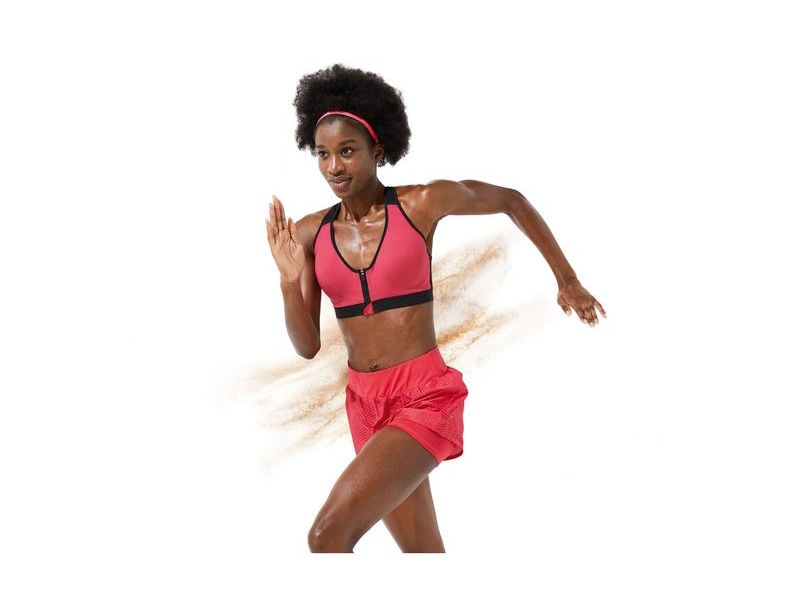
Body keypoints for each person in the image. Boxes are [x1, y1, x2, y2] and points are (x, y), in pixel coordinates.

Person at [265, 64, 606, 553]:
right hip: (364, 404)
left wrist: (567, 280)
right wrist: (288, 280)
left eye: (347, 151)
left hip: (424, 397)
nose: (334, 166)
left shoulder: (421, 203)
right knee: (423, 552)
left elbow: (511, 200)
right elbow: (307, 346)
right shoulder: (307, 234)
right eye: (322, 154)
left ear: (378, 150)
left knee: (327, 535)